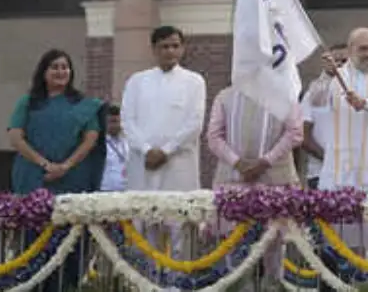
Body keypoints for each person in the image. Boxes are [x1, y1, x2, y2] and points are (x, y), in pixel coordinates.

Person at [7, 49, 106, 292]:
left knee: (69, 242)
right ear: (43, 72)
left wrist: (65, 166)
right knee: (33, 243)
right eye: (55, 67)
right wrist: (45, 164)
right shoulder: (28, 102)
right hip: (34, 178)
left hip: (72, 179)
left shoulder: (84, 105)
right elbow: (15, 136)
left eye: (65, 67)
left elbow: (91, 138)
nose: (61, 71)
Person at [305, 27, 368, 259]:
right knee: (344, 242)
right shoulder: (337, 78)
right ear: (351, 50)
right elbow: (316, 99)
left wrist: (366, 103)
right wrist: (327, 75)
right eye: (363, 48)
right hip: (346, 171)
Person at [206, 86, 303, 291]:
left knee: (274, 243)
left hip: (274, 177)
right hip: (234, 179)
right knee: (233, 241)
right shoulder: (225, 96)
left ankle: (273, 284)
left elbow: (295, 132)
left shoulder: (284, 95)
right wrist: (238, 163)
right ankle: (241, 286)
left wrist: (265, 162)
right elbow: (213, 137)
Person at [121, 26, 206, 256]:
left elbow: (194, 123)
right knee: (146, 227)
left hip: (178, 165)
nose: (170, 51)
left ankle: (178, 284)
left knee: (180, 226)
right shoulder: (137, 81)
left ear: (182, 48)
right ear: (154, 49)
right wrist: (147, 150)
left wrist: (166, 151)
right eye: (164, 46)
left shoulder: (194, 81)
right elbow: (127, 121)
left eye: (175, 46)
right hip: (144, 163)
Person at [300, 43, 348, 189]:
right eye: (333, 60)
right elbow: (304, 137)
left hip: (354, 175)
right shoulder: (311, 95)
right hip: (320, 174)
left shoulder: (362, 95)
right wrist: (330, 159)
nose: (338, 65)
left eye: (344, 61)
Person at [100, 104, 129, 192]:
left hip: (126, 189)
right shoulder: (100, 144)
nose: (116, 125)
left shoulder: (127, 141)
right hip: (106, 189)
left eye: (118, 121)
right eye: (112, 121)